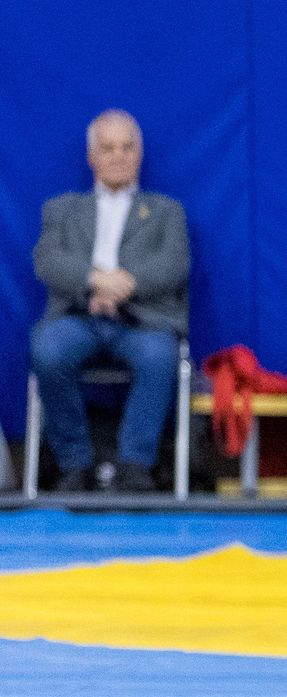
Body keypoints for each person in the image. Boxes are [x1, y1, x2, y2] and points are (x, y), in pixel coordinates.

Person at [27, 109, 189, 493]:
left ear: (140, 154)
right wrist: (94, 282)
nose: (118, 155)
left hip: (142, 319)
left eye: (126, 147)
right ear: (91, 156)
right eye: (108, 147)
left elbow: (174, 264)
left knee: (159, 356)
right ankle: (74, 464)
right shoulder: (61, 209)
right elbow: (47, 260)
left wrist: (124, 286)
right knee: (47, 351)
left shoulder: (168, 211)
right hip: (78, 315)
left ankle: (135, 466)